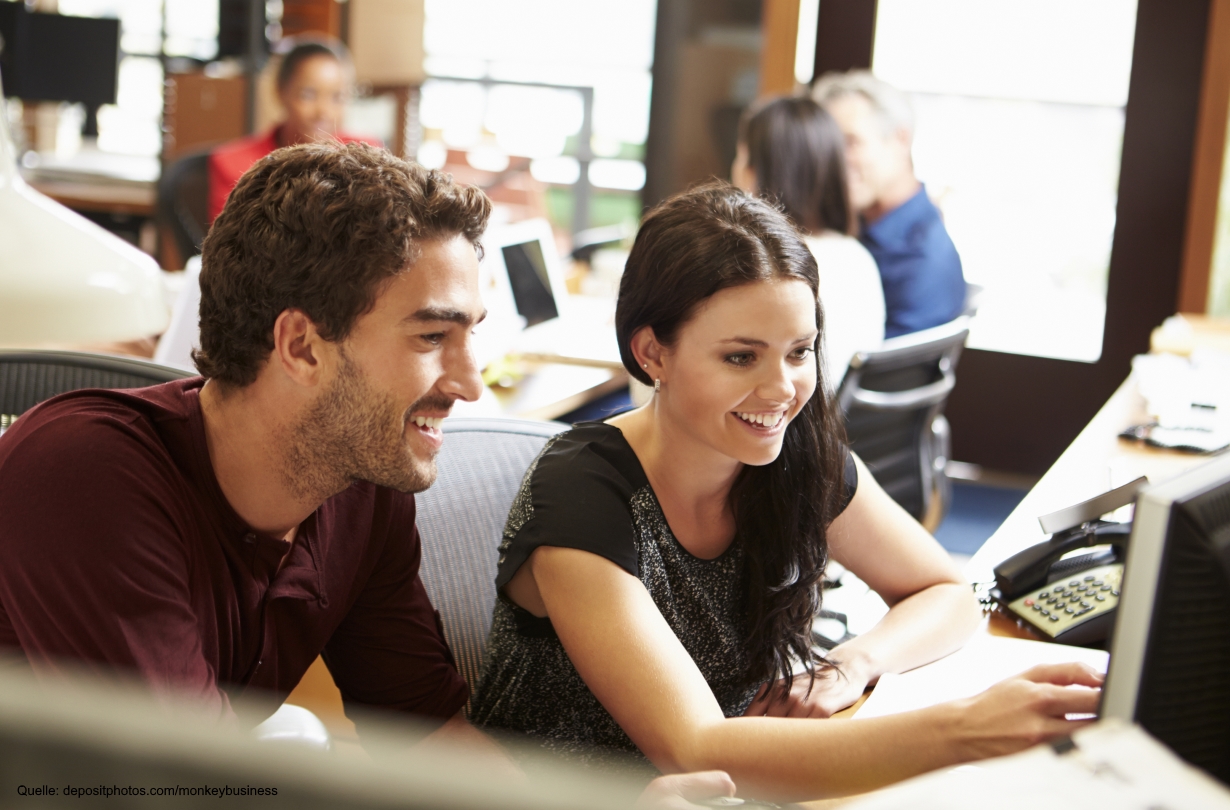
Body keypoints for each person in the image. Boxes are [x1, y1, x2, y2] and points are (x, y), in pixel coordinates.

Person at [0, 141, 735, 809]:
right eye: (430, 336)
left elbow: (428, 741)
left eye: (470, 335)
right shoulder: (82, 477)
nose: (470, 382)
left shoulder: (363, 492)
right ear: (301, 346)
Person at [470, 184, 1102, 801]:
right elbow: (696, 748)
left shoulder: (796, 456)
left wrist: (856, 662)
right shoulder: (581, 490)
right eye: (742, 358)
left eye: (800, 352)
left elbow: (945, 593)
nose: (782, 390)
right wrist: (965, 729)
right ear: (652, 353)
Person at [731, 95, 884, 383]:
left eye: (740, 156)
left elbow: (657, 392)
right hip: (832, 424)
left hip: (776, 421)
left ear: (753, 173)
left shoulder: (761, 267)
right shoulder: (859, 258)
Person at [812, 71, 966, 338]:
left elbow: (883, 376)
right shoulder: (854, 225)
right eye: (828, 145)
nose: (834, 160)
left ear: (900, 139)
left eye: (851, 142)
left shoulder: (922, 257)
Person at [207, 39, 375, 222]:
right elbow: (231, 242)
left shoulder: (364, 157)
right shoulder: (234, 165)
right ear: (281, 91)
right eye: (308, 95)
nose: (323, 111)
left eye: (338, 97)